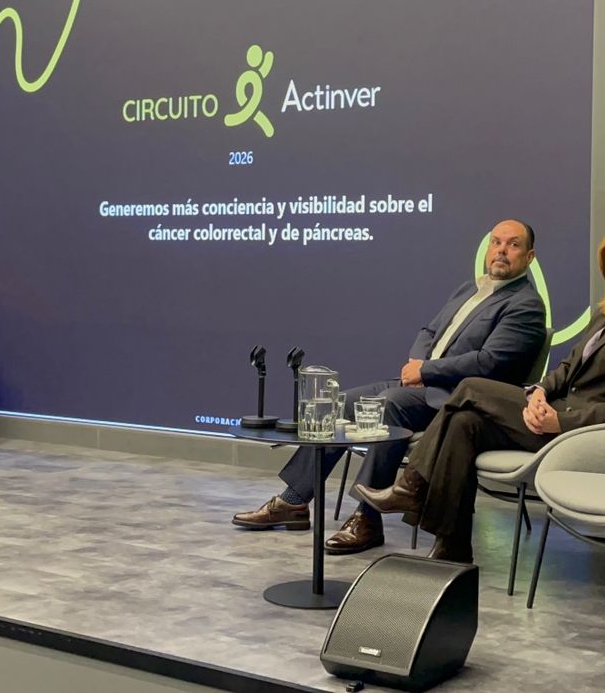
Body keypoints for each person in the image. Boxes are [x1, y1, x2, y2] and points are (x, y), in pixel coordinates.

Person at [357, 227, 605, 563]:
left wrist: (561, 421)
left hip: (581, 433)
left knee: (470, 388)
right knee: (464, 423)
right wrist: (539, 392)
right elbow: (566, 368)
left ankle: (412, 485)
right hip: (550, 415)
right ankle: (453, 545)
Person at [233, 219, 547, 556]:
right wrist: (418, 363)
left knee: (387, 404)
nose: (501, 250)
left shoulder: (525, 305)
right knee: (340, 403)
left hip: (457, 401)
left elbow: (489, 363)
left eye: (512, 244)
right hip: (422, 384)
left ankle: (367, 518)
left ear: (529, 257)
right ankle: (293, 502)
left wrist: (425, 370)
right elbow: (429, 331)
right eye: (496, 242)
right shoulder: (469, 289)